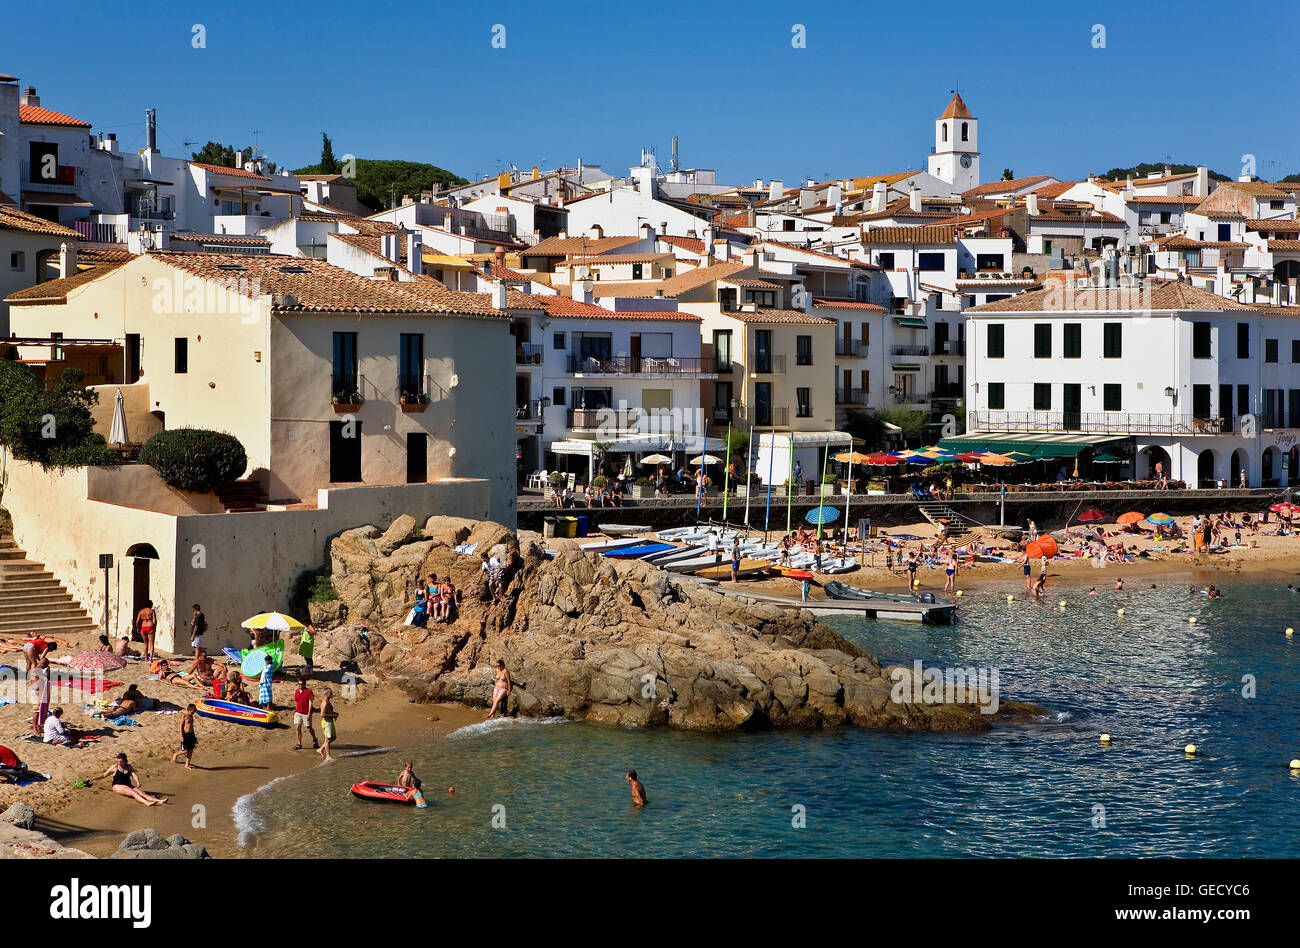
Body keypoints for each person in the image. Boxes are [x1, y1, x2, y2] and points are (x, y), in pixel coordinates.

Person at [96, 753, 166, 806]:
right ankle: (147, 803)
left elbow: (134, 774)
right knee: (134, 793)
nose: (119, 763)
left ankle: (158, 801)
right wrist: (94, 778)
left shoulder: (129, 766)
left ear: (125, 761)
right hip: (118, 785)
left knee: (142, 793)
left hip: (128, 784)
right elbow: (104, 775)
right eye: (118, 761)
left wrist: (138, 782)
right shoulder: (115, 767)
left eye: (121, 762)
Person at [293, 677, 318, 750]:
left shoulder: (309, 692)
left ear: (305, 684)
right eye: (299, 684)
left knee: (309, 728)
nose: (300, 685)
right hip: (298, 712)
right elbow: (297, 701)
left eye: (302, 684)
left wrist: (309, 713)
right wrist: (296, 710)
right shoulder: (297, 691)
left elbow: (310, 703)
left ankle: (314, 739)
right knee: (297, 727)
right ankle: (299, 744)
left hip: (306, 713)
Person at [171, 704, 198, 769]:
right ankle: (176, 754)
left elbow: (191, 727)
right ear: (188, 710)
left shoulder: (191, 717)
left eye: (194, 712)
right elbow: (180, 726)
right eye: (192, 712)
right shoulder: (184, 716)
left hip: (191, 734)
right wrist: (181, 736)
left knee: (191, 750)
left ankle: (187, 765)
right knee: (185, 751)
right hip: (185, 735)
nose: (193, 713)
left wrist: (194, 737)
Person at [318, 689, 337, 760]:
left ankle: (321, 749)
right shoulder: (325, 703)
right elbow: (322, 715)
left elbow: (329, 711)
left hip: (330, 722)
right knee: (328, 739)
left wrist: (334, 714)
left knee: (333, 737)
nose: (332, 693)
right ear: (326, 694)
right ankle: (328, 756)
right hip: (326, 722)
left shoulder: (328, 702)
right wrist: (333, 715)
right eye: (330, 692)